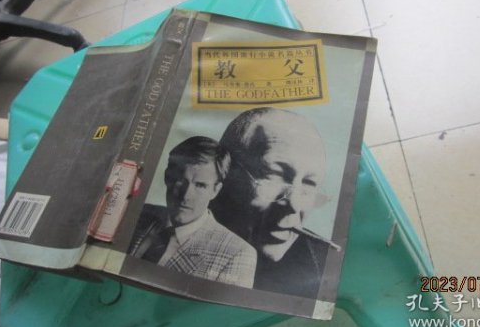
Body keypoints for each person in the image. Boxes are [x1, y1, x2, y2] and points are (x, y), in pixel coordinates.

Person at [211, 107, 332, 298]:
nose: (294, 205)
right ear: (224, 173)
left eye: (308, 184)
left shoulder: (325, 266)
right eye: (274, 175)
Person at [129, 136, 257, 288]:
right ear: (167, 177)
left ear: (215, 190)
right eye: (180, 181)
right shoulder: (139, 212)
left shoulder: (237, 254)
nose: (186, 195)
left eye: (200, 185)